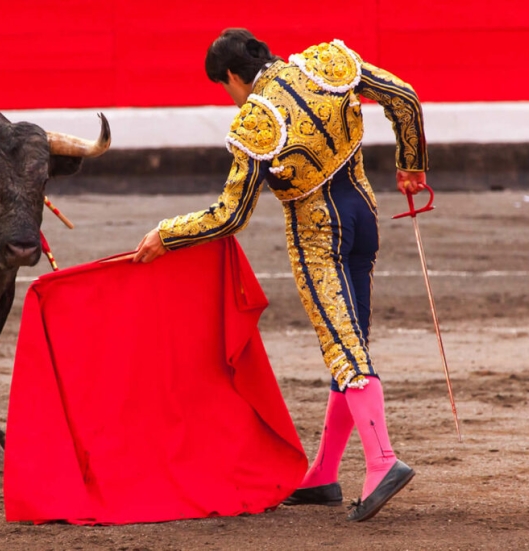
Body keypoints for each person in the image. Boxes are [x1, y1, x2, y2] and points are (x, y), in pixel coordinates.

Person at [132, 28, 428, 522]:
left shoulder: (257, 120)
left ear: (231, 76)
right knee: (350, 338)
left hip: (321, 233)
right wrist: (411, 166)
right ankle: (324, 473)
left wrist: (168, 234)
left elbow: (230, 215)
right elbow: (403, 96)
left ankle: (380, 462)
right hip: (363, 219)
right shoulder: (323, 64)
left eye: (223, 86)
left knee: (343, 345)